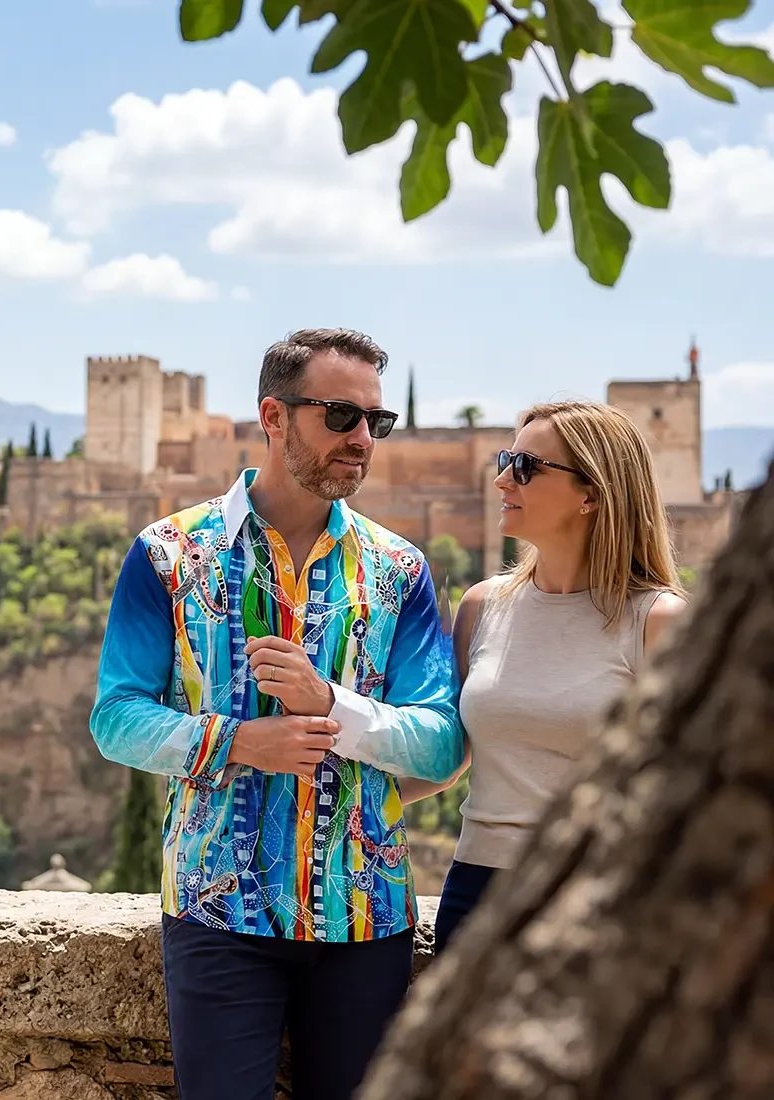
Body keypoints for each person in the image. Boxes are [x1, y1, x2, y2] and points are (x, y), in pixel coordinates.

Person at [91, 328, 465, 1100]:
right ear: (274, 415)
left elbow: (438, 744)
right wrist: (239, 742)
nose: (362, 438)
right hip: (217, 913)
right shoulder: (169, 555)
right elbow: (116, 717)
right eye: (340, 416)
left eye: (376, 422)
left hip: (366, 921)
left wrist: (333, 707)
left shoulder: (400, 572)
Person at [402, 400, 686, 954]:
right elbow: (446, 763)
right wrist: (326, 803)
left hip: (595, 899)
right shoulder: (482, 607)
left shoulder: (658, 620)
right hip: (475, 890)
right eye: (507, 459)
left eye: (527, 467)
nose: (503, 478)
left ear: (592, 494)